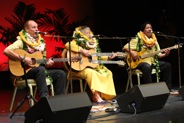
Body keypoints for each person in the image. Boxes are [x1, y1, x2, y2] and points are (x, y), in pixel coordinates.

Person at [3, 20, 66, 98]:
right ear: (26, 29)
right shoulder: (21, 41)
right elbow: (6, 51)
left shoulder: (40, 44)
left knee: (61, 73)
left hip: (38, 71)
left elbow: (39, 63)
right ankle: (45, 99)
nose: (37, 29)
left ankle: (59, 100)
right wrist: (24, 59)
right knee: (40, 69)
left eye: (37, 27)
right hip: (24, 73)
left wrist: (47, 64)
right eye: (34, 27)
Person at [64, 26, 117, 103]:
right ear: (81, 34)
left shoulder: (92, 44)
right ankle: (96, 96)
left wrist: (108, 57)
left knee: (108, 72)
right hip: (77, 69)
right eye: (86, 33)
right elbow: (67, 45)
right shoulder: (78, 40)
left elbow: (97, 57)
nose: (89, 34)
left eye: (89, 32)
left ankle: (105, 96)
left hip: (91, 67)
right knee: (92, 73)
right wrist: (82, 51)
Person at [123, 21, 172, 90]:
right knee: (147, 66)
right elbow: (125, 47)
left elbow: (158, 55)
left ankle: (167, 89)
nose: (149, 29)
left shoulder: (154, 41)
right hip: (140, 62)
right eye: (147, 28)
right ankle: (150, 90)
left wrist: (165, 54)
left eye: (150, 28)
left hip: (152, 62)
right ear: (143, 30)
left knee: (167, 65)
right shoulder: (138, 39)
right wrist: (132, 52)